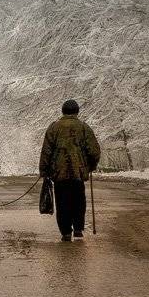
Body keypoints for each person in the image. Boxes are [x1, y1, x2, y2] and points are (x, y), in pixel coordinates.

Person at [39, 99, 100, 241]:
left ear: (63, 111)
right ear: (77, 112)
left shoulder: (54, 127)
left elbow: (46, 151)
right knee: (79, 200)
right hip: (78, 172)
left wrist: (44, 170)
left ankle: (66, 231)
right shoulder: (84, 127)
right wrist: (91, 165)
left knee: (62, 202)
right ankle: (78, 228)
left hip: (59, 173)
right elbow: (94, 151)